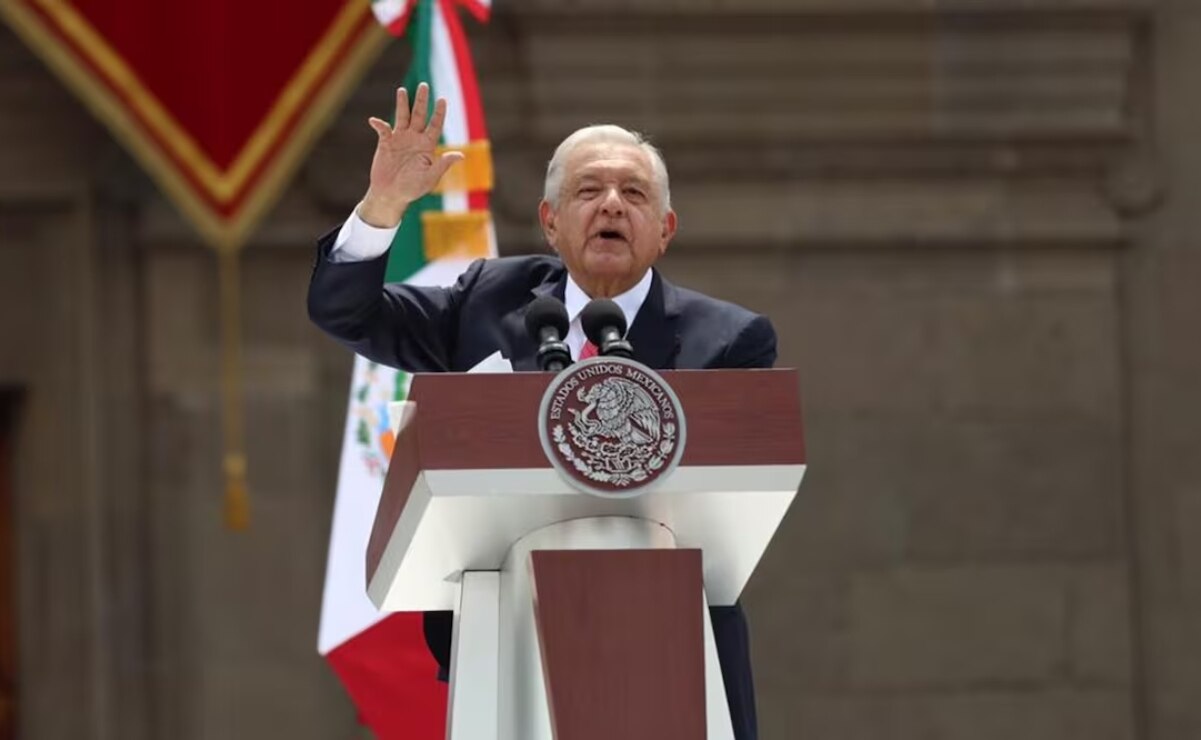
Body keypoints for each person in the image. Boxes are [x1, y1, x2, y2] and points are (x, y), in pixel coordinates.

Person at [308, 82, 775, 740]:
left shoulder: (728, 341)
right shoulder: (487, 300)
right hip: (502, 644)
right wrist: (383, 206)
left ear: (664, 231)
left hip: (669, 645)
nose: (611, 205)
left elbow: (730, 502)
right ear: (550, 221)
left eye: (633, 194)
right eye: (588, 191)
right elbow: (345, 312)